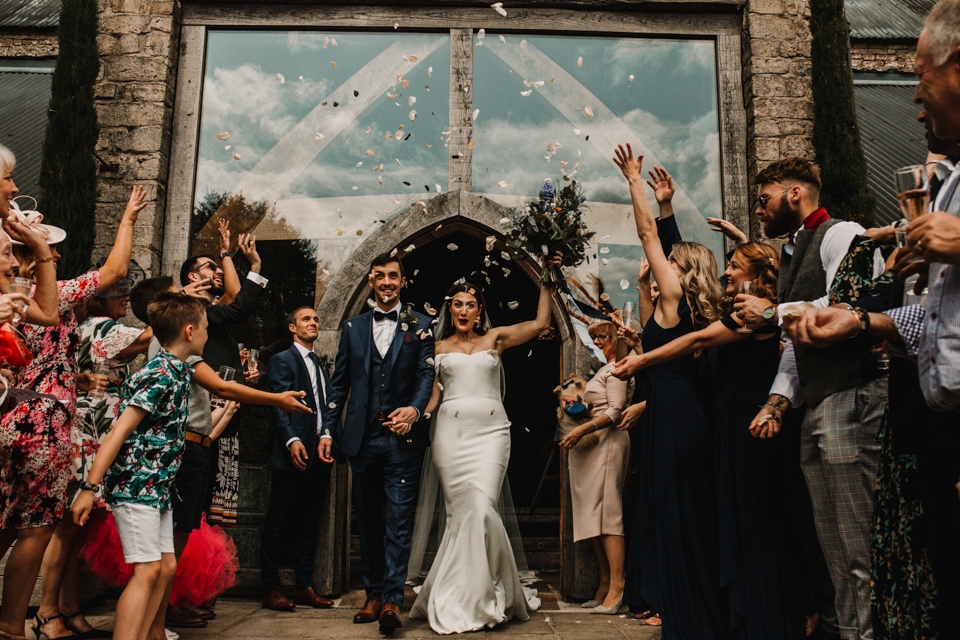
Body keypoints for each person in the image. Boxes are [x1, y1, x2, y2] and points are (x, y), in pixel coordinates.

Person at [780, 8, 960, 633]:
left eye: (921, 76)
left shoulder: (845, 233)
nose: (913, 101)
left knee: (864, 553)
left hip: (858, 402)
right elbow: (932, 320)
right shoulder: (949, 187)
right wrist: (867, 324)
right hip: (933, 419)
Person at [615, 242, 808, 639]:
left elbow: (695, 342)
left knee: (758, 523)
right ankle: (740, 617)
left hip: (752, 420)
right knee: (732, 523)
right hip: (726, 422)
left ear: (755, 275)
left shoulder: (756, 314)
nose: (726, 273)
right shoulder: (737, 307)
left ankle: (766, 620)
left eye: (735, 267)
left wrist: (642, 361)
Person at [734, 157, 887, 640]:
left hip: (853, 395)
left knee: (859, 542)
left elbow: (851, 301)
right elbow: (795, 345)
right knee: (832, 546)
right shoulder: (792, 254)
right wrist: (777, 403)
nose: (759, 210)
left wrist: (772, 310)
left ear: (794, 194)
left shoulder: (843, 234)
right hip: (818, 404)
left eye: (764, 198)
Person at [125, 275, 310, 635]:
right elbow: (223, 386)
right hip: (184, 451)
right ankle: (153, 627)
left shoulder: (171, 351)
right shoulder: (176, 353)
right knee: (165, 556)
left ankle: (156, 627)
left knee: (166, 558)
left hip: (193, 447)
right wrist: (278, 398)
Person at [2, 183, 144, 640]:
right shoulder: (52, 295)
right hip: (40, 423)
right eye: (50, 249)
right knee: (36, 527)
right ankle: (11, 628)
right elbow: (114, 270)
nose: (57, 257)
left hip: (8, 410)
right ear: (31, 255)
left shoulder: (10, 301)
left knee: (5, 524)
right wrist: (127, 218)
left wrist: (74, 379)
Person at [613, 143, 726, 640]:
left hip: (674, 420)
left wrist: (634, 181)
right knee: (682, 511)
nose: (663, 266)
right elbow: (670, 247)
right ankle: (686, 603)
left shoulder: (676, 303)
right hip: (677, 412)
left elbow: (649, 238)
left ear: (684, 274)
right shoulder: (695, 310)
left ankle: (679, 606)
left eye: (671, 265)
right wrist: (666, 206)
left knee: (671, 510)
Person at [409, 263, 556, 635]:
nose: (462, 310)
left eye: (469, 304)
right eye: (456, 304)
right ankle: (462, 593)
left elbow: (540, 324)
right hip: (450, 437)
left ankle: (489, 593)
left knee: (481, 506)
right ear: (449, 309)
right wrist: (410, 415)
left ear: (479, 310)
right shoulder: (437, 348)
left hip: (491, 434)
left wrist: (546, 279)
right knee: (463, 513)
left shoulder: (496, 339)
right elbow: (432, 399)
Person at [72, 293, 207, 640]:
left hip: (157, 487)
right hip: (135, 485)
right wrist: (89, 488)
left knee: (166, 567)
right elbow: (118, 432)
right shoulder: (159, 373)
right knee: (147, 570)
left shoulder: (178, 371)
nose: (209, 334)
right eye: (206, 327)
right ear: (190, 331)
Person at [319, 253, 435, 635]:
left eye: (393, 276)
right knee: (367, 521)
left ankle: (392, 601)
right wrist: (326, 430)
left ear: (403, 282)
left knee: (399, 522)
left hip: (403, 440)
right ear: (371, 281)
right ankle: (372, 594)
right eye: (380, 276)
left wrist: (414, 412)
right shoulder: (353, 328)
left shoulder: (422, 324)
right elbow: (339, 385)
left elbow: (424, 377)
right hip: (362, 439)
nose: (387, 282)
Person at [34, 269, 152, 640]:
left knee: (80, 529)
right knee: (69, 526)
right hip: (87, 429)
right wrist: (179, 300)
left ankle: (69, 607)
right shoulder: (100, 326)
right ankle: (46, 611)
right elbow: (155, 334)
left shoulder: (93, 325)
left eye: (127, 291)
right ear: (98, 297)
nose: (125, 297)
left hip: (100, 428)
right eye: (118, 290)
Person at [179, 232, 265, 528]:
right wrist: (254, 267)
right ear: (193, 276)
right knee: (194, 508)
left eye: (219, 267)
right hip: (203, 418)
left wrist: (243, 372)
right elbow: (238, 307)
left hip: (223, 418)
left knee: (205, 507)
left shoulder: (210, 312)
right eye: (210, 267)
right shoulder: (190, 309)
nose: (217, 272)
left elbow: (232, 299)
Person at [260, 306, 334, 611]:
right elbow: (279, 405)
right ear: (292, 328)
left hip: (319, 454)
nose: (313, 323)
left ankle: (304, 586)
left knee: (308, 522)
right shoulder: (282, 360)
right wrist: (291, 441)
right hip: (292, 454)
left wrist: (327, 434)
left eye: (316, 319)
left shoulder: (320, 365)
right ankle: (270, 589)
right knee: (278, 522)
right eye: (306, 319)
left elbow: (327, 406)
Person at [558, 319, 631, 616]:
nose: (598, 342)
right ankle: (603, 584)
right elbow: (596, 406)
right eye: (595, 337)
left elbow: (615, 410)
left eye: (604, 336)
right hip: (590, 445)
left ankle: (617, 586)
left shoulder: (619, 368)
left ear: (618, 337)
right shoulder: (604, 369)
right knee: (593, 518)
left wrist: (579, 430)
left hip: (607, 443)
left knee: (608, 515)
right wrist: (574, 407)